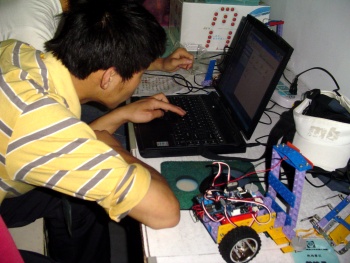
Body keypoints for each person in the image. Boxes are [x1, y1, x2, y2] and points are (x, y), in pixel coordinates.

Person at [0, 1, 192, 262]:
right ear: (109, 77)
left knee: (83, 204)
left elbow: (56, 141)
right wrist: (112, 148)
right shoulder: (38, 122)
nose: (138, 82)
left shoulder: (18, 52)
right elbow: (165, 212)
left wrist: (121, 114)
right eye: (140, 73)